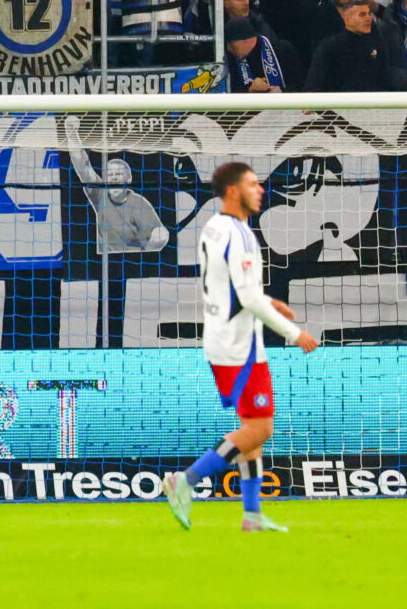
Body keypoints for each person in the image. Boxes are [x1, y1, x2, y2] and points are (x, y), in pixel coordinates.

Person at [164, 162, 318, 535]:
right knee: (261, 428)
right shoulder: (241, 234)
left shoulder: (214, 227)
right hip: (240, 346)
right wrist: (294, 333)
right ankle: (186, 480)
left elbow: (230, 284)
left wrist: (269, 301)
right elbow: (247, 297)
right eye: (252, 184)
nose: (260, 189)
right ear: (233, 191)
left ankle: (252, 515)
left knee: (252, 426)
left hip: (223, 338)